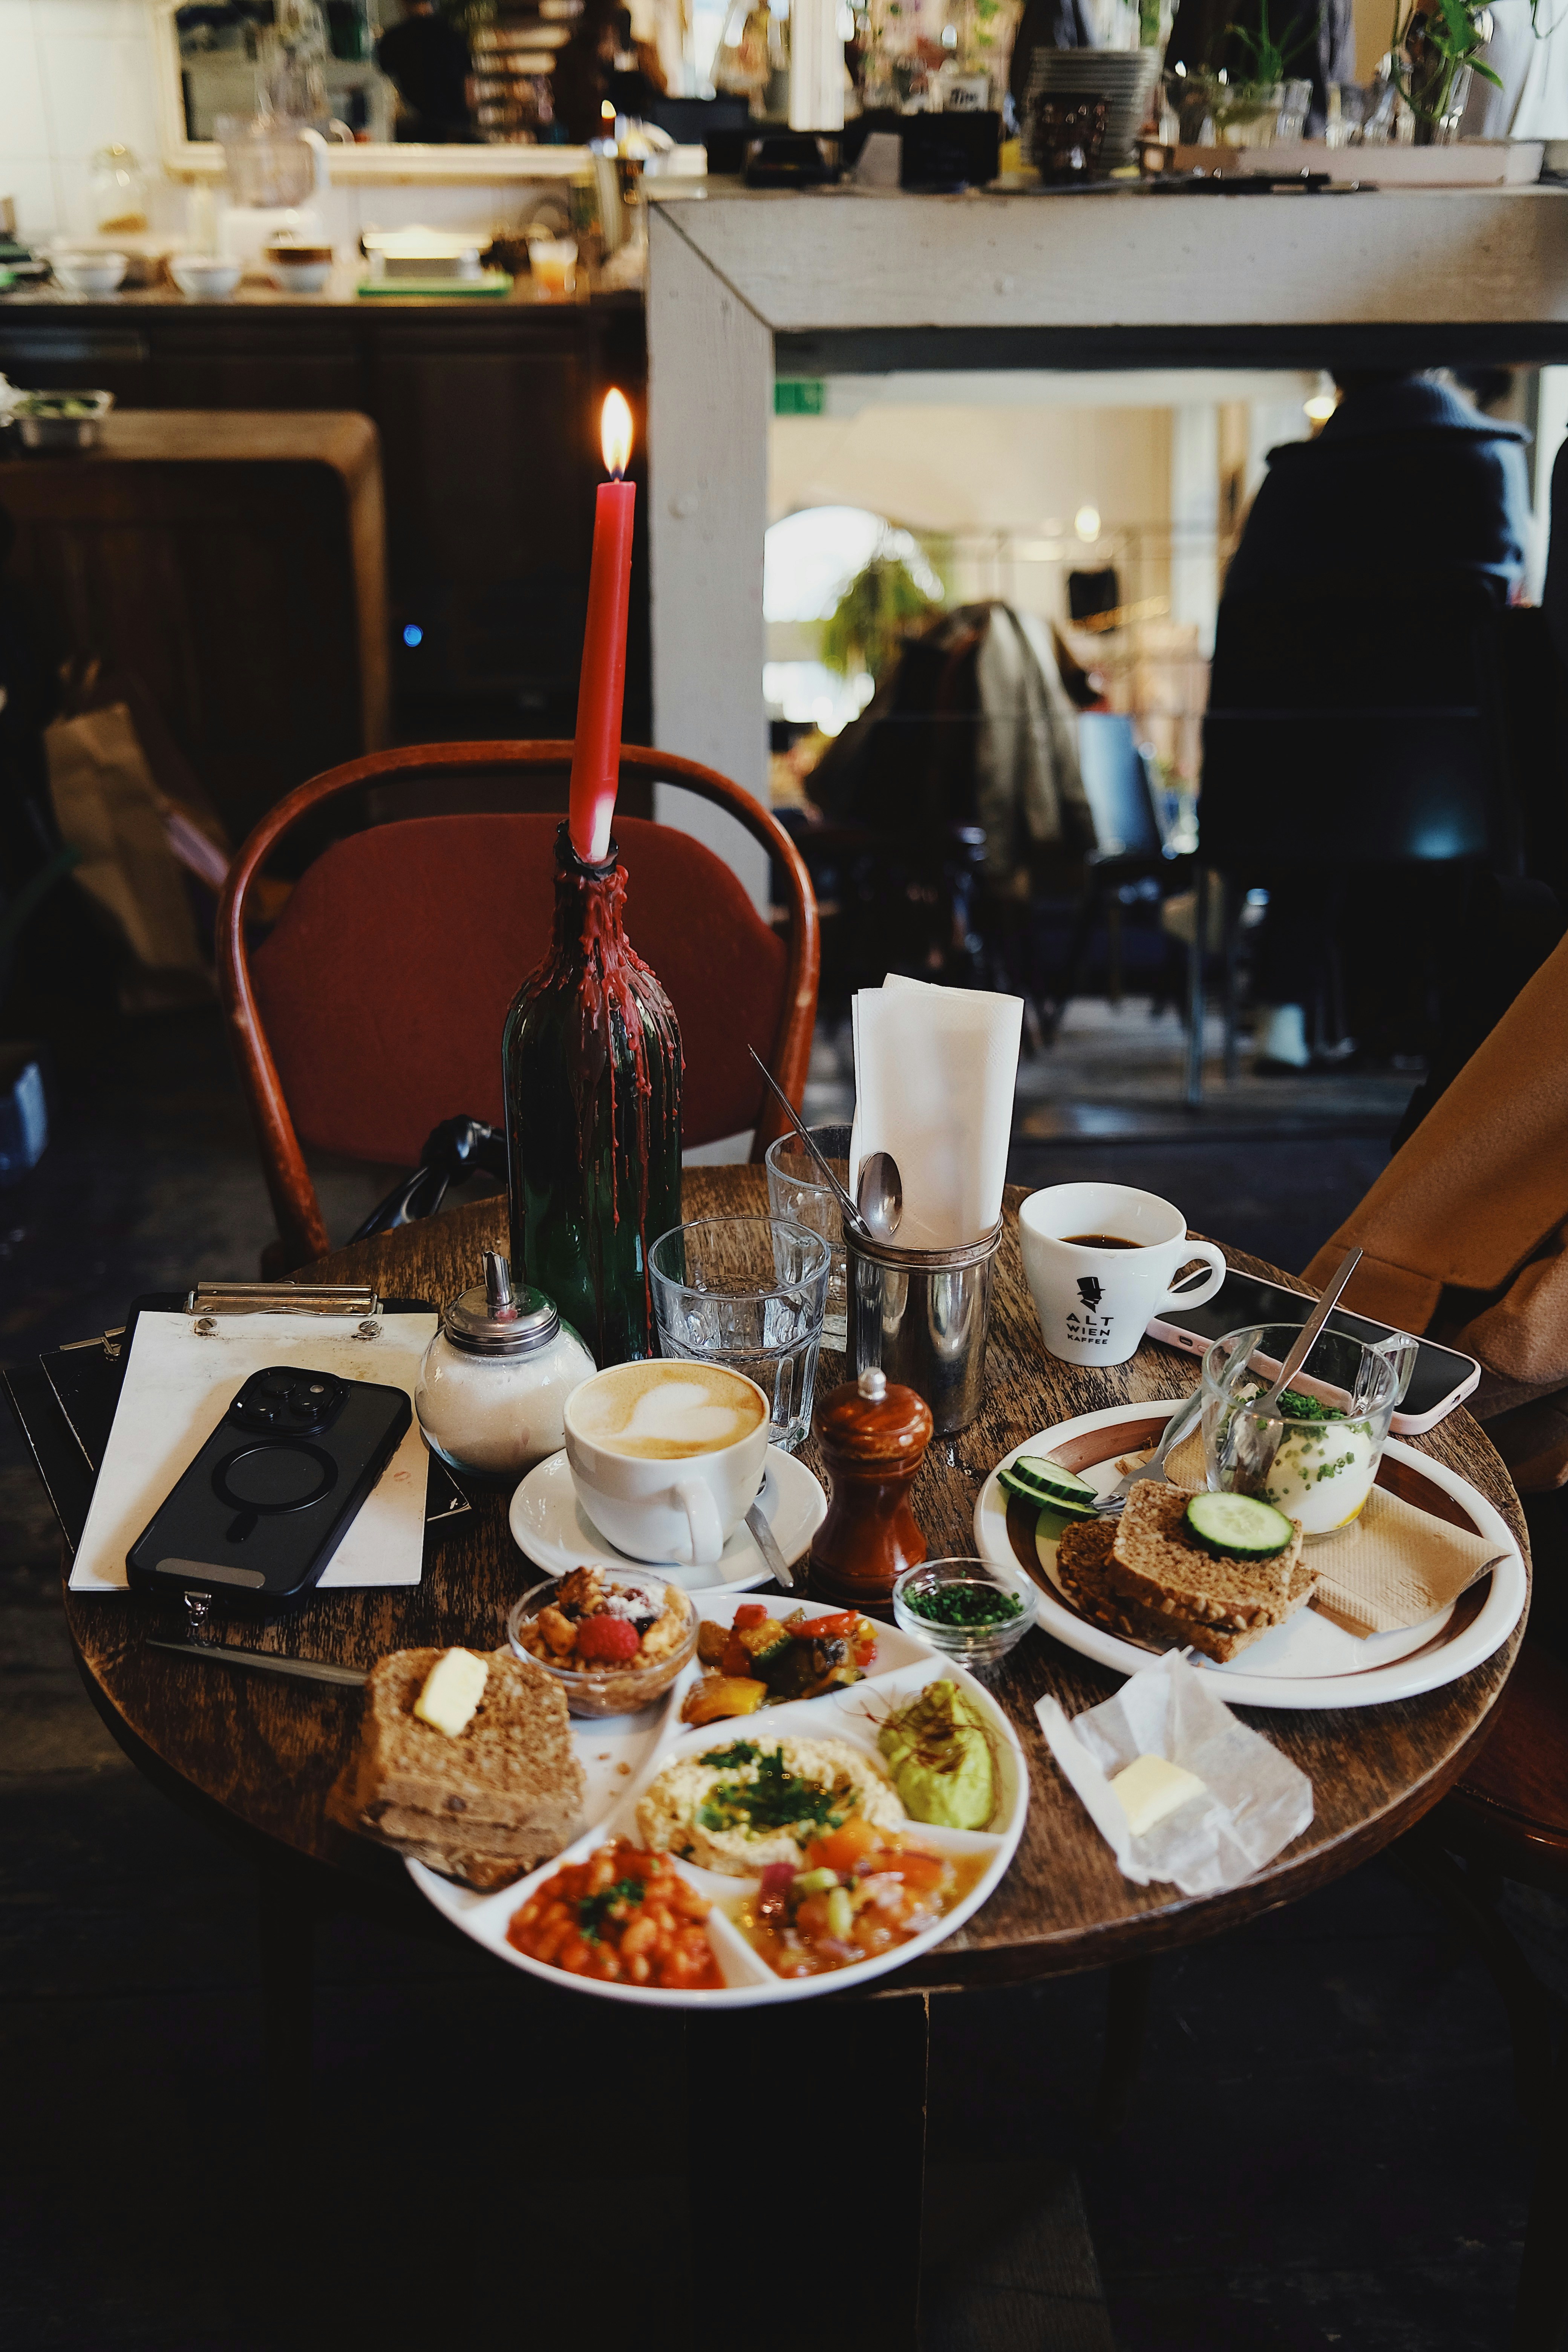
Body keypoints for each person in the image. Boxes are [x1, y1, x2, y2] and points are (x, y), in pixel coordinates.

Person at [1217, 370, 1532, 1070]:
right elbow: (1519, 619)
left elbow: (1242, 650)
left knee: (1315, 790)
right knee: (1409, 793)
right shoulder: (1491, 462)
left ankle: (1283, 1014)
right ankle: (1432, 1023)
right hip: (1457, 795)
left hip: (1309, 797)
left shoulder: (1294, 480)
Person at [376, 0, 472, 144]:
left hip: (417, 133)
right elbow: (470, 94)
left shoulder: (393, 40)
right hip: (455, 133)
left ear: (402, 3)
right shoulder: (454, 36)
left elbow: (381, 85)